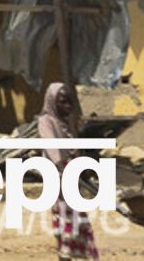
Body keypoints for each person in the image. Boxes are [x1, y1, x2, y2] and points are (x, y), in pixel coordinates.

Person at [37, 82, 99, 260]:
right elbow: (52, 147)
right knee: (66, 217)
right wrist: (62, 166)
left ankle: (76, 252)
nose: (68, 105)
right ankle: (65, 253)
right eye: (63, 101)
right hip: (58, 177)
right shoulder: (46, 121)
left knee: (78, 217)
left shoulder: (68, 123)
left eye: (70, 101)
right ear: (52, 101)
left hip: (71, 175)